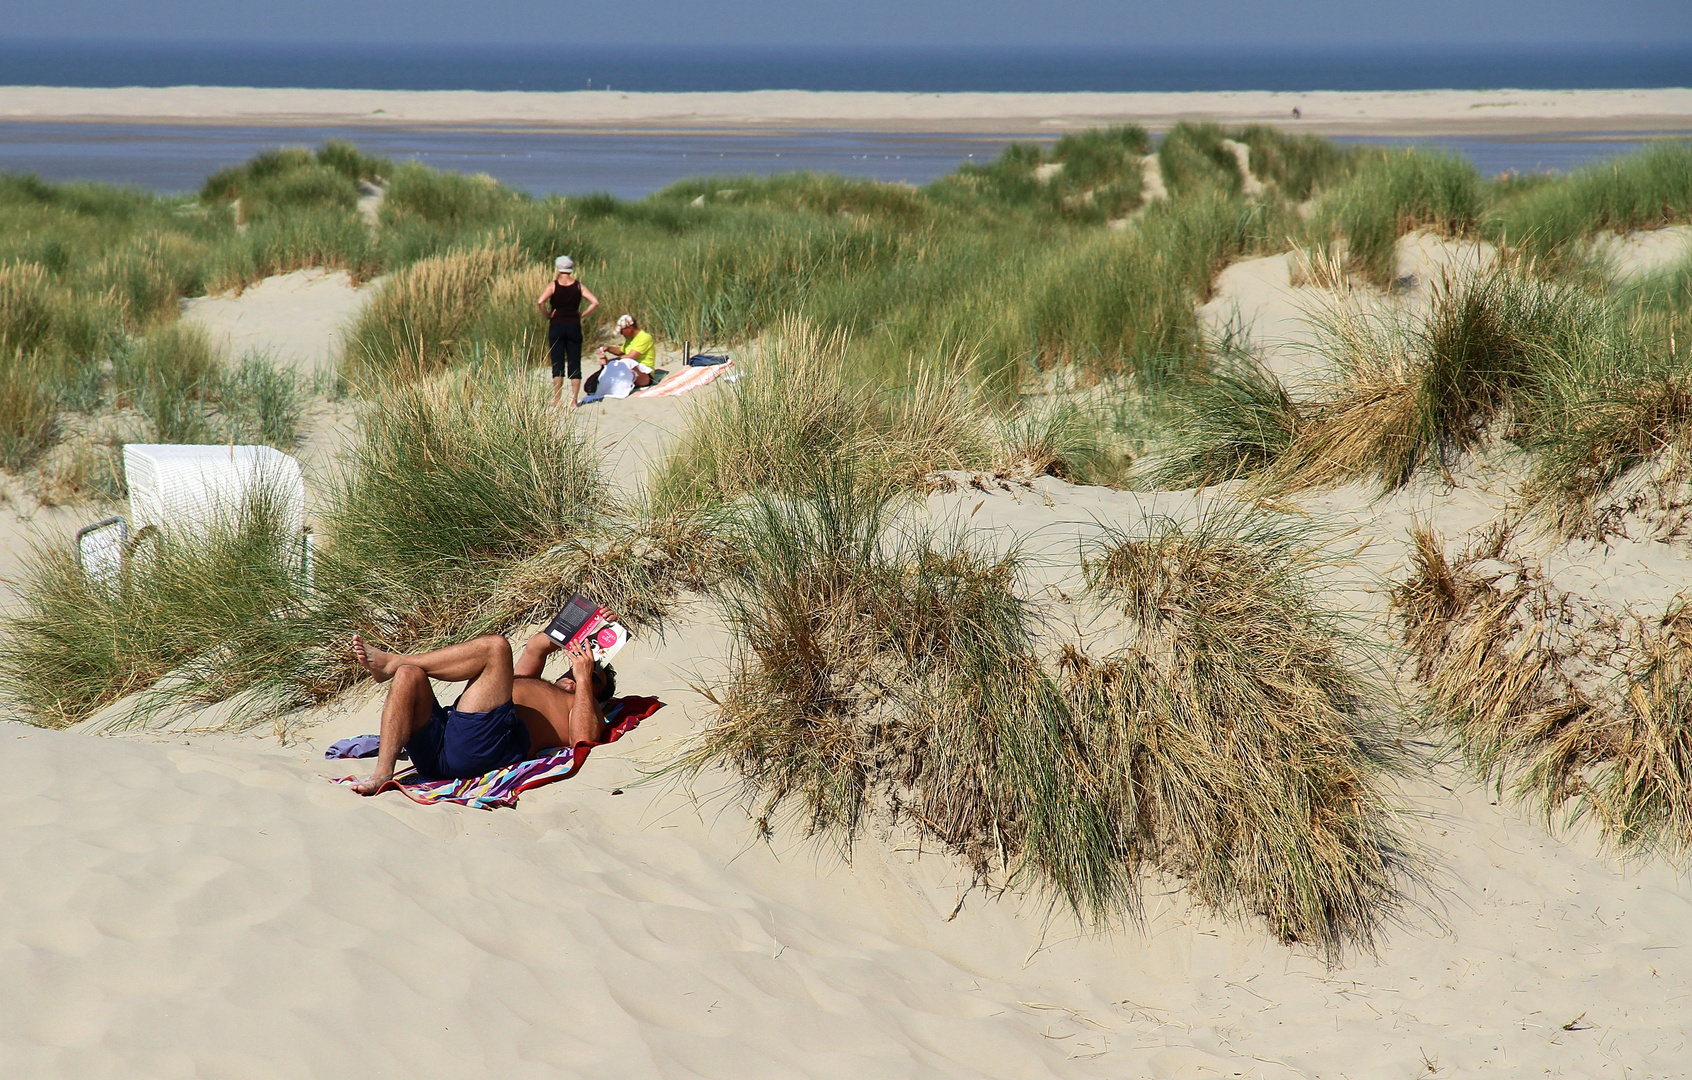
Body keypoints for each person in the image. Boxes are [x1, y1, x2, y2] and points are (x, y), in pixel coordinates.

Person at [348, 630, 617, 795]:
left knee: (496, 647)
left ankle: (395, 661)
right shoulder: (531, 681)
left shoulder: (584, 705)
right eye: (578, 666)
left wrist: (584, 681)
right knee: (409, 676)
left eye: (596, 677)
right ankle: (382, 774)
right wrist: (596, 628)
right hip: (444, 742)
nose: (581, 670)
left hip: (478, 749)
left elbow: (584, 738)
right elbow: (537, 645)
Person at [536, 256, 600, 408]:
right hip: (573, 325)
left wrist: (547, 315)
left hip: (557, 325)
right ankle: (574, 400)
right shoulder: (578, 286)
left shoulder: (553, 285)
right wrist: (582, 314)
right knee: (574, 361)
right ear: (571, 268)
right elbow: (595, 302)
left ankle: (557, 400)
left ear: (558, 268)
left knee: (557, 362)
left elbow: (540, 301)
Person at [589, 314, 655, 393]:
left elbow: (630, 357)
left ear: (629, 328)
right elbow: (621, 351)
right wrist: (608, 348)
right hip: (630, 371)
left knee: (628, 362)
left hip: (645, 374)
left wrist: (609, 362)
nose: (621, 334)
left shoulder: (644, 337)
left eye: (622, 331)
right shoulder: (630, 339)